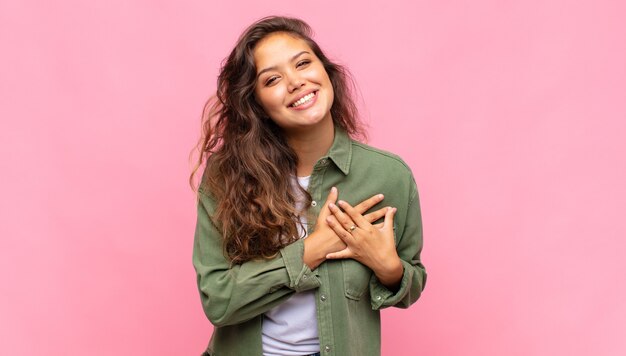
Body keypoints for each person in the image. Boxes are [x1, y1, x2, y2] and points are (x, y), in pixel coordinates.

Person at [191, 15, 426, 356]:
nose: (296, 82)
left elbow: (411, 281)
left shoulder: (388, 176)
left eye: (303, 63)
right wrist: (310, 251)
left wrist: (388, 267)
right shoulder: (225, 176)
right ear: (257, 105)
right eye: (272, 79)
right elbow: (218, 300)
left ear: (326, 72)